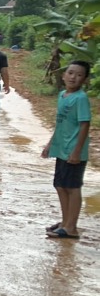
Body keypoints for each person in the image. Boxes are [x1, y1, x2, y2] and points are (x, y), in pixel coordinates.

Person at [41, 60, 92, 239]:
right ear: (63, 75)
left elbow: (84, 125)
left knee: (72, 187)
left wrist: (77, 151)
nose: (73, 77)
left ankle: (71, 227)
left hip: (73, 150)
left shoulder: (81, 98)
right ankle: (65, 222)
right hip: (61, 148)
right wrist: (50, 144)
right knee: (60, 186)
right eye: (70, 73)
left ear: (85, 80)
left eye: (79, 75)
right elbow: (60, 123)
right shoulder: (62, 95)